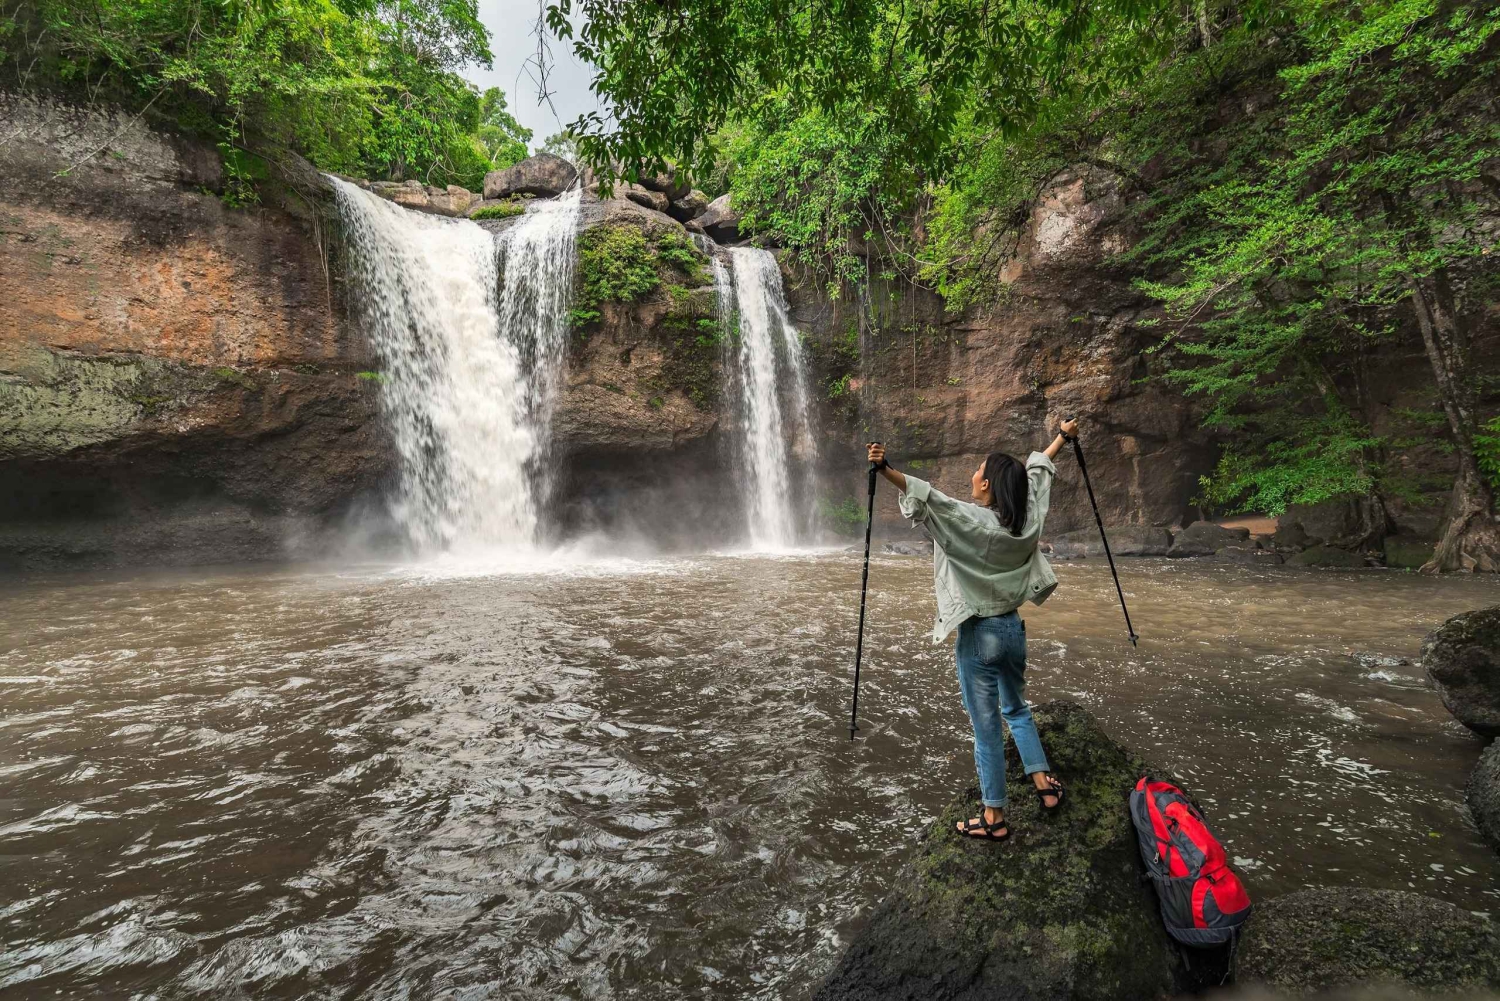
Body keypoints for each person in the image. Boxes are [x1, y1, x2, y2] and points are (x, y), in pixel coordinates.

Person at [866, 418, 1078, 842]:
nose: (974, 474)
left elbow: (929, 497)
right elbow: (1035, 476)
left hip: (979, 634)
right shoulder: (1027, 519)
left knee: (986, 730)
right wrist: (1062, 439)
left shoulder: (969, 521)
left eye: (980, 470)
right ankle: (1043, 785)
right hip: (1014, 630)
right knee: (1016, 708)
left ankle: (993, 818)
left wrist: (886, 468)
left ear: (989, 487)